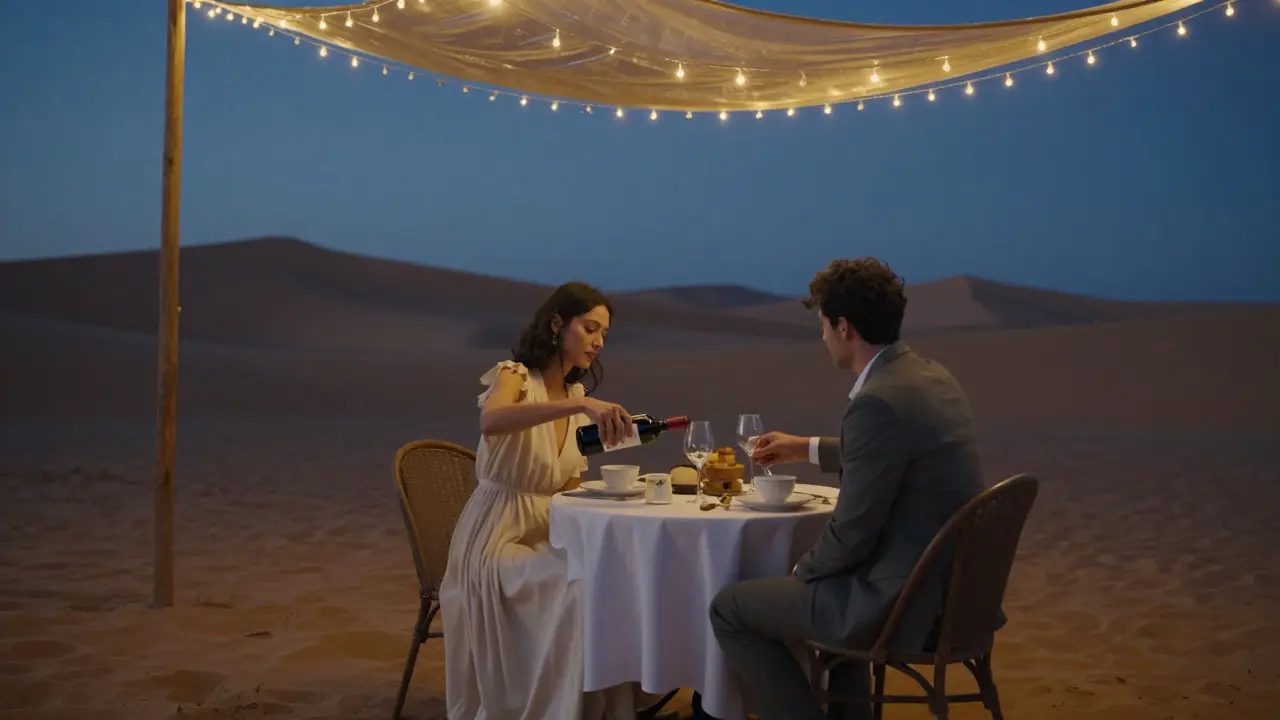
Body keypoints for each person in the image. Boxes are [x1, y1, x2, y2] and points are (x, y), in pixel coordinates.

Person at [709, 258, 986, 720]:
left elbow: (851, 536)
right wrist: (806, 447)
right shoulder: (929, 377)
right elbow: (891, 451)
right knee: (830, 580)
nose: (821, 337)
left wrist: (800, 569)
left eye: (822, 325)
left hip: (904, 604)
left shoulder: (876, 401)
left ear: (844, 327)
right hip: (956, 593)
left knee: (731, 608)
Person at [440, 281, 638, 720]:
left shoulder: (577, 397)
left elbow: (567, 488)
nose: (599, 342)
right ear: (557, 324)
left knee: (607, 579)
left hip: (548, 532)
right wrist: (576, 409)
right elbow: (491, 421)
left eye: (604, 334)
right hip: (495, 541)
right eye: (590, 329)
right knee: (576, 589)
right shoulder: (515, 376)